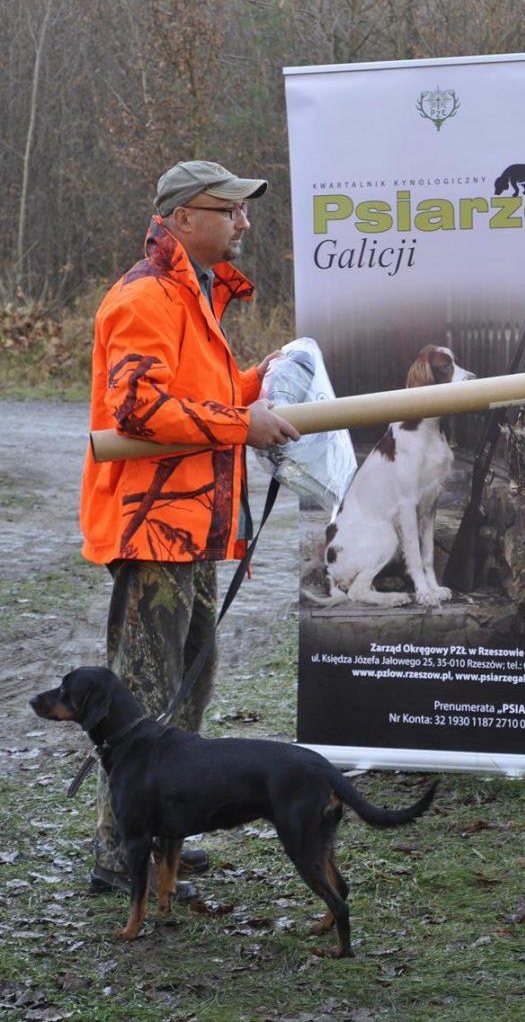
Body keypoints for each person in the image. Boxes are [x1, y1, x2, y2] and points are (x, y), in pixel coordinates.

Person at [80, 159, 300, 895]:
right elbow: (139, 407)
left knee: (188, 687)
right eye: (229, 208)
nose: (243, 221)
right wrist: (244, 422)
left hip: (193, 528)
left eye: (242, 209)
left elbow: (195, 401)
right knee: (143, 695)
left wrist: (255, 383)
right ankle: (120, 853)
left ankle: (160, 827)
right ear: (181, 218)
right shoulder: (147, 297)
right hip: (155, 528)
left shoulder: (195, 296)